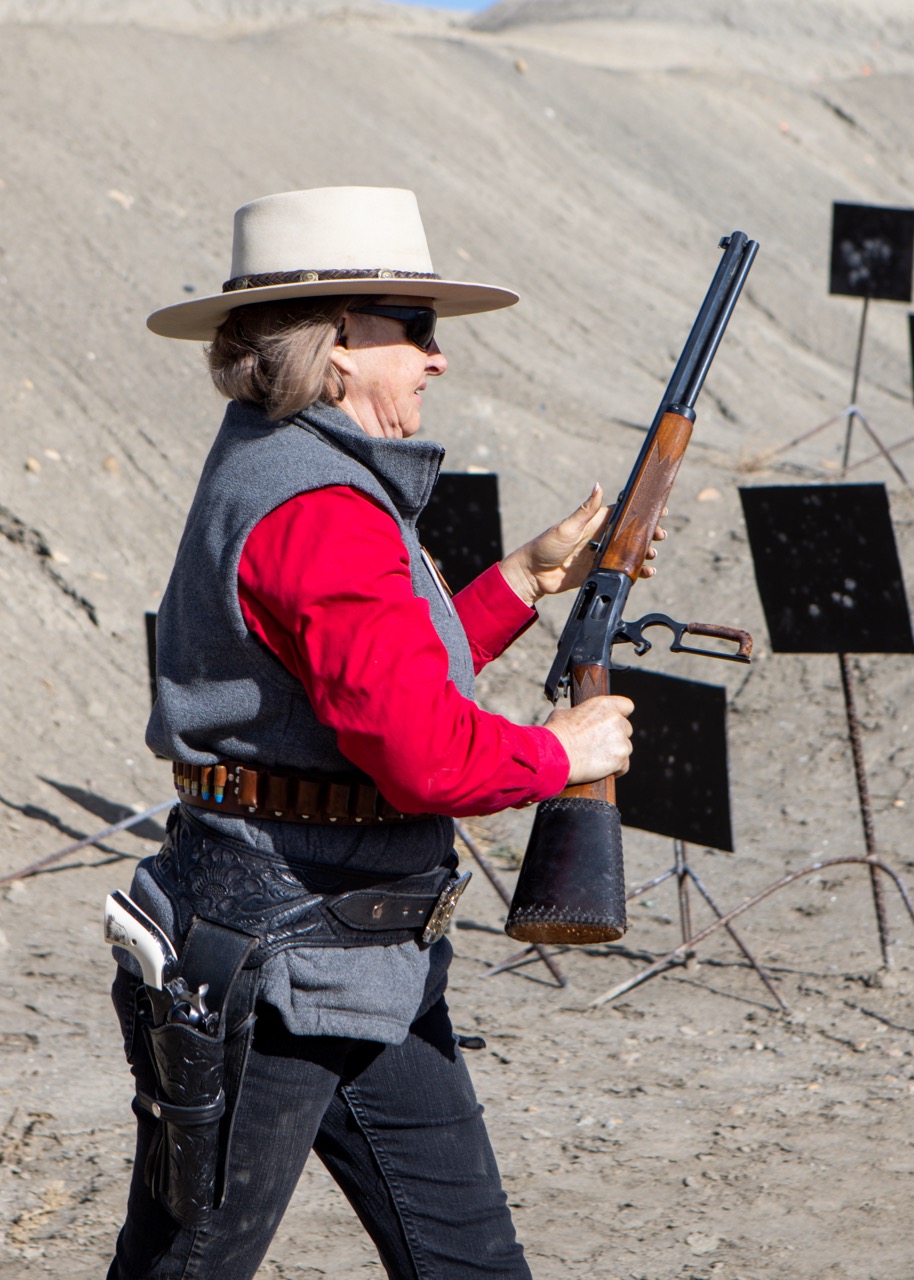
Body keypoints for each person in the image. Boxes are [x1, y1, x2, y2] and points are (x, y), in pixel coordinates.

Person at [107, 186, 662, 1280]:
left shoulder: (289, 469)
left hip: (350, 950)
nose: (434, 357)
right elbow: (416, 750)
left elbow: (356, 684)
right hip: (284, 960)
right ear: (340, 343)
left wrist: (515, 582)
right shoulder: (322, 506)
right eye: (415, 329)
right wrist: (563, 754)